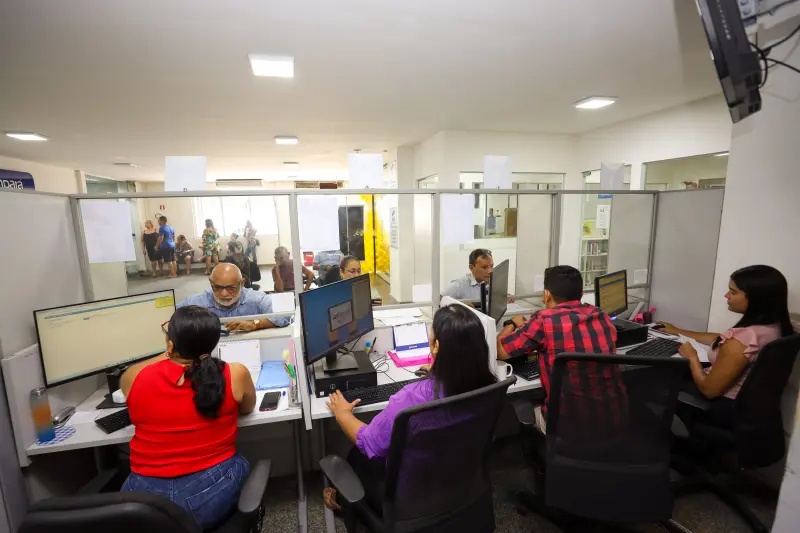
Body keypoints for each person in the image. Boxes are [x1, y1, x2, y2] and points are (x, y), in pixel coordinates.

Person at [323, 304, 497, 511]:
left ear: (436, 346)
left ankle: (346, 505)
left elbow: (370, 442)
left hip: (411, 498)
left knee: (357, 455)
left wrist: (343, 414)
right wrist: (440, 370)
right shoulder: (488, 389)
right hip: (461, 483)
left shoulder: (412, 399)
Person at [119, 306, 256, 530]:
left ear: (171, 343)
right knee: (240, 463)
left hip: (146, 505)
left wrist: (170, 348)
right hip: (209, 497)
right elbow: (248, 408)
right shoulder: (235, 374)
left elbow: (142, 372)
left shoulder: (134, 377)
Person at [661, 265, 794, 429]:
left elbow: (709, 390)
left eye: (733, 291)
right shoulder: (774, 327)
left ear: (756, 298)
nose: (726, 295)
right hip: (751, 410)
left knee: (656, 381)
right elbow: (720, 339)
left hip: (723, 408)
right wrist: (677, 331)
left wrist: (692, 357)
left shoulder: (743, 338)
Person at [497, 265, 622, 434]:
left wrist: (511, 323)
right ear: (582, 293)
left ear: (547, 295)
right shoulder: (601, 316)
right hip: (613, 421)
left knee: (518, 406)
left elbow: (500, 351)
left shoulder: (544, 320)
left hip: (567, 427)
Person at [178, 263, 291, 331]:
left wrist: (256, 324)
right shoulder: (197, 302)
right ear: (211, 282)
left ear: (242, 283)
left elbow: (285, 317)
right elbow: (170, 317)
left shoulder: (256, 299)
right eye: (217, 287)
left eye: (231, 288)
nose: (224, 294)